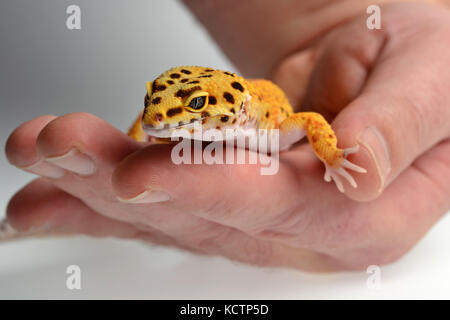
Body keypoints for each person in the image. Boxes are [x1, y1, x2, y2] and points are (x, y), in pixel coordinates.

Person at [3, 0, 450, 271]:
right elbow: (153, 122)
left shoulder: (273, 125)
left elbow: (313, 121)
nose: (160, 117)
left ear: (234, 109)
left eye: (194, 108)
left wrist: (332, 157)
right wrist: (138, 139)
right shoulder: (165, 117)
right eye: (154, 99)